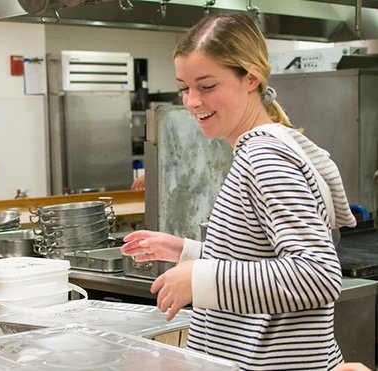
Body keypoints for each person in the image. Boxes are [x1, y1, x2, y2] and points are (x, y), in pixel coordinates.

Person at [120, 14, 357, 370]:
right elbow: (261, 258)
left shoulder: (264, 158)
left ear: (251, 77)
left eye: (207, 85)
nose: (192, 101)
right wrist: (187, 251)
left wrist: (199, 277)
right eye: (185, 87)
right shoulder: (260, 149)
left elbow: (318, 275)